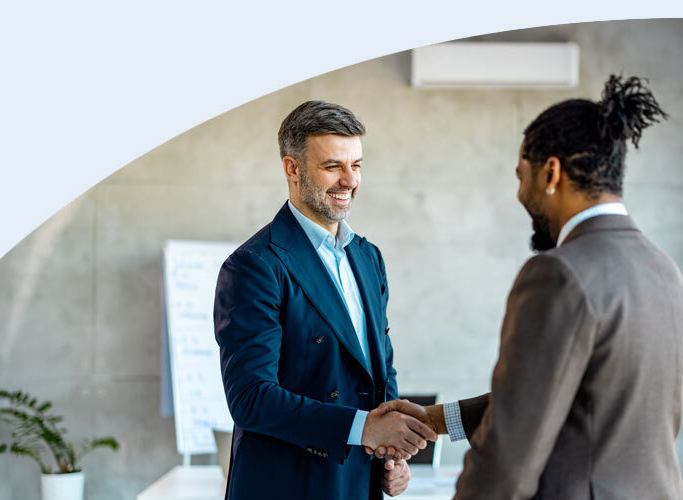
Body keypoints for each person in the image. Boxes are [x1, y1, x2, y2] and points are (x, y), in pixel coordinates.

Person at [371, 75, 683, 499]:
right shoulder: (664, 270)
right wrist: (435, 419)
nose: (520, 194)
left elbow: (507, 461)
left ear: (551, 172)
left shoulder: (559, 274)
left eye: (522, 176)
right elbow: (577, 401)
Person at [214, 101, 437, 500]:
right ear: (292, 169)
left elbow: (380, 371)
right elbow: (250, 398)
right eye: (333, 166)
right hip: (288, 487)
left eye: (358, 165)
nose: (349, 180)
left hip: (358, 481)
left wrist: (391, 456)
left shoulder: (368, 257)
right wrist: (366, 428)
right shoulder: (254, 265)